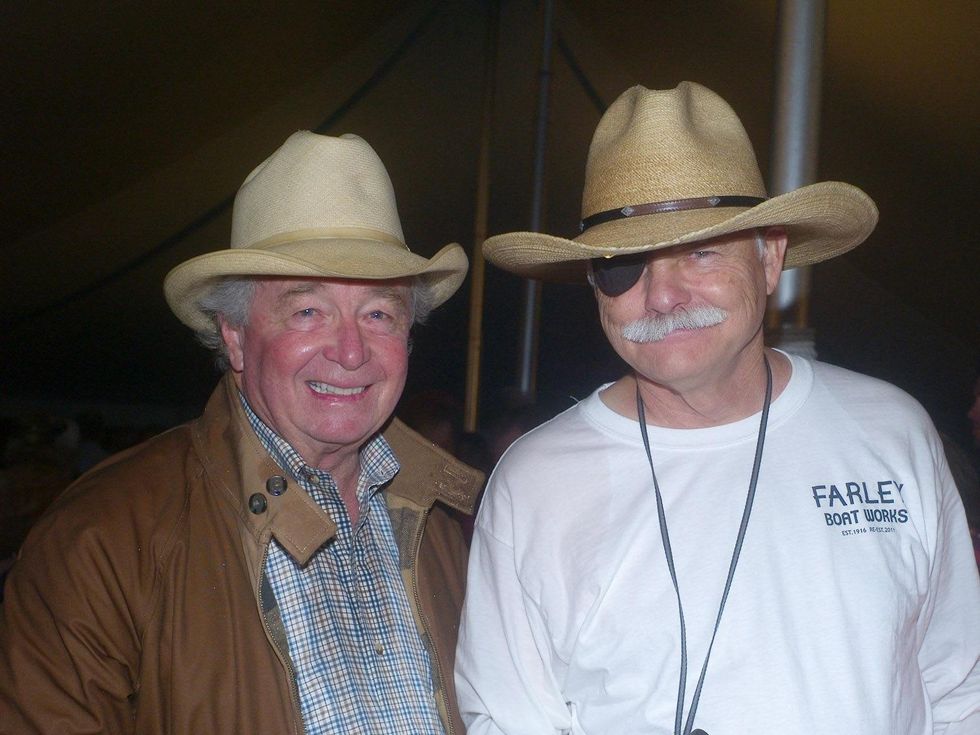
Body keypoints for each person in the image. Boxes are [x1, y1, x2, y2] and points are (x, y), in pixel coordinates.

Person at [455, 83, 980, 734]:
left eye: (700, 251)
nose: (663, 294)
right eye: (626, 265)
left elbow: (959, 690)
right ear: (594, 282)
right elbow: (509, 720)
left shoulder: (892, 433)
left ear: (771, 255)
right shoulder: (532, 483)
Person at [0, 131, 484, 734]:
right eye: (308, 310)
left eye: (379, 314)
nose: (352, 351)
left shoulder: (444, 518)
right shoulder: (102, 539)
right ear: (233, 334)